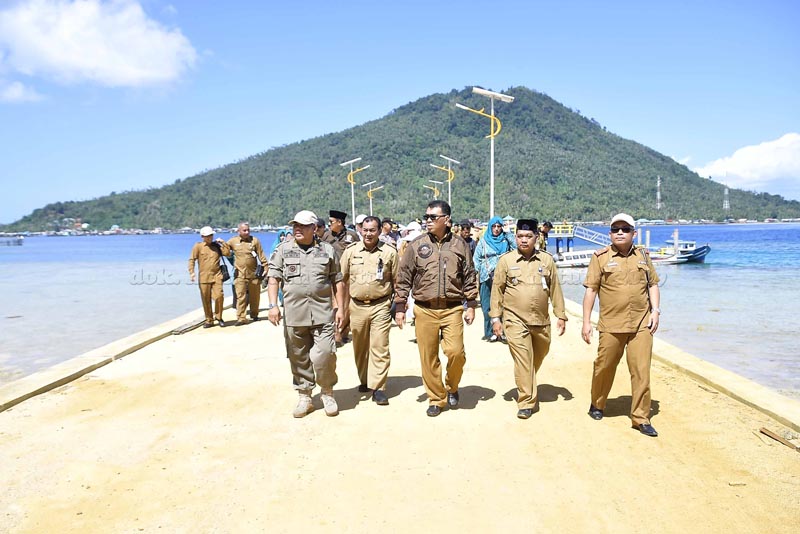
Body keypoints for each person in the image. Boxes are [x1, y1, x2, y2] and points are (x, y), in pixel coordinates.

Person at [394, 200, 478, 417]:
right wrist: (400, 306)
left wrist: (471, 304)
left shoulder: (460, 245)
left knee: (456, 352)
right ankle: (436, 398)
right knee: (428, 356)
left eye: (433, 217)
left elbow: (469, 275)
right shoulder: (416, 245)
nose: (427, 221)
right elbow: (403, 276)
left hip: (452, 309)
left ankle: (452, 385)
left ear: (446, 220)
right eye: (426, 217)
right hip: (425, 309)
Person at [581, 213, 661, 437]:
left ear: (633, 233)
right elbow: (591, 290)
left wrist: (656, 311)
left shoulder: (644, 256)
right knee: (604, 367)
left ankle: (641, 418)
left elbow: (653, 284)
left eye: (625, 229)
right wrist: (586, 322)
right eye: (615, 229)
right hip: (611, 325)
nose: (620, 232)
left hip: (641, 325)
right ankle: (597, 404)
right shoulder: (600, 257)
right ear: (610, 234)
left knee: (641, 371)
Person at [267, 210, 345, 418]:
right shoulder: (283, 250)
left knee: (325, 355)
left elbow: (337, 280)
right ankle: (305, 396)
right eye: (295, 226)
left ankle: (327, 392)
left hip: (322, 313)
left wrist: (342, 309)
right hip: (294, 315)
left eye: (302, 226)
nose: (297, 229)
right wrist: (273, 305)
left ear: (314, 228)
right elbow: (273, 278)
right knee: (298, 357)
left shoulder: (327, 250)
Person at [489, 219, 567, 419]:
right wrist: (495, 318)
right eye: (520, 236)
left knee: (537, 357)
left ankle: (526, 382)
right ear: (515, 237)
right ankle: (526, 401)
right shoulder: (506, 261)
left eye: (528, 236)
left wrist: (561, 315)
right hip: (515, 320)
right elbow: (497, 291)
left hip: (541, 320)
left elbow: (555, 289)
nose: (523, 240)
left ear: (536, 237)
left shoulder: (547, 260)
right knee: (524, 360)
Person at [340, 216, 399, 405]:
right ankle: (365, 379)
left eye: (372, 230)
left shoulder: (390, 252)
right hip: (356, 306)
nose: (368, 234)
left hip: (380, 305)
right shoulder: (350, 252)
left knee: (380, 346)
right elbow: (341, 280)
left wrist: (399, 306)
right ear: (360, 230)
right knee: (360, 347)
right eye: (365, 230)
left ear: (380, 230)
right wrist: (340, 308)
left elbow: (397, 281)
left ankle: (379, 387)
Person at [473, 216, 516, 342]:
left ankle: (502, 332)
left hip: (504, 277)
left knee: (503, 305)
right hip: (486, 276)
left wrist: (508, 234)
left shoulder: (506, 240)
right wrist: (473, 277)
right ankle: (490, 332)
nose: (496, 229)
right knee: (487, 306)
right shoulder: (484, 241)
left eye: (499, 226)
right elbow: (476, 259)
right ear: (490, 227)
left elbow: (515, 248)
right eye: (494, 226)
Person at [188, 226, 231, 328]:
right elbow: (191, 260)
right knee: (205, 299)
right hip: (204, 277)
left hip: (217, 276)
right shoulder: (198, 247)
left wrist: (223, 243)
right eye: (207, 236)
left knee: (219, 296)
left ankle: (219, 317)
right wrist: (192, 272)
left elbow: (227, 253)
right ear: (202, 236)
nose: (209, 238)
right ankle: (209, 320)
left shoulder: (217, 246)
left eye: (211, 235)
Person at [227, 222, 268, 326]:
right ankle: (241, 318)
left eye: (248, 230)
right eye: (244, 230)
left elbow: (261, 255)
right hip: (240, 274)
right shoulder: (233, 241)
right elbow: (225, 251)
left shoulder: (255, 241)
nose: (247, 232)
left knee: (255, 296)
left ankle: (254, 314)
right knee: (241, 296)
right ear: (239, 231)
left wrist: (266, 266)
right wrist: (221, 243)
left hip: (254, 274)